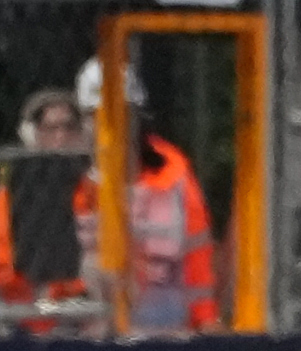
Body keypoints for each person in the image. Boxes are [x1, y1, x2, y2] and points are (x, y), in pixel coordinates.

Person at [70, 59, 220, 335]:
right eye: (97, 116)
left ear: (138, 118)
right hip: (91, 334)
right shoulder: (70, 181)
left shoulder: (173, 174)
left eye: (120, 114)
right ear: (83, 122)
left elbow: (197, 254)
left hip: (166, 329)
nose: (108, 127)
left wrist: (206, 320)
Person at [1, 90, 91, 329]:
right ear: (30, 134)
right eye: (50, 129)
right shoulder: (8, 193)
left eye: (68, 127)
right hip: (16, 314)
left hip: (77, 312)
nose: (60, 137)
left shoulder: (94, 190)